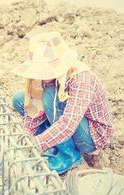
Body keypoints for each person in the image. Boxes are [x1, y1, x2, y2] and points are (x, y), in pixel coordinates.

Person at [12, 32, 114, 174]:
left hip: (91, 135)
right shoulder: (50, 76)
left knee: (48, 97)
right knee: (19, 99)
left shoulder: (81, 79)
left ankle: (69, 156)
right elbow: (34, 104)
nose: (40, 74)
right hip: (70, 121)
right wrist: (26, 135)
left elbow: (68, 124)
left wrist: (35, 144)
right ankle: (52, 140)